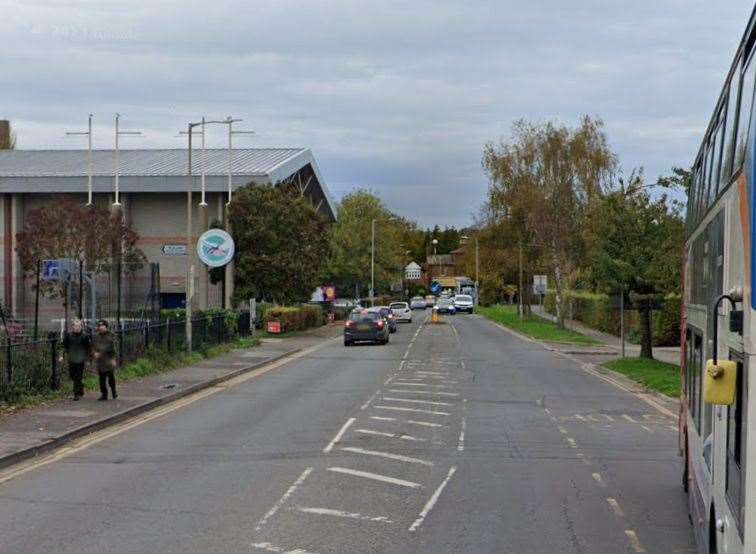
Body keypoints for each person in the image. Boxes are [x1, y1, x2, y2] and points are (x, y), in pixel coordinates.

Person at [60, 319, 91, 401]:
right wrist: (61, 355)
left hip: (81, 359)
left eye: (79, 326)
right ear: (72, 327)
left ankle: (76, 394)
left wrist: (88, 359)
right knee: (72, 375)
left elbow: (88, 349)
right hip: (72, 358)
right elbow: (64, 346)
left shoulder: (85, 336)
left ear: (81, 327)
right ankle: (80, 388)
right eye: (75, 326)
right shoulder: (68, 335)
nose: (77, 328)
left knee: (78, 376)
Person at [91, 319, 118, 401]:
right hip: (100, 362)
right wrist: (94, 353)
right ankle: (104, 395)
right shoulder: (96, 337)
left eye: (103, 326)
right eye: (100, 326)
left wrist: (113, 359)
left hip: (109, 360)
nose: (101, 328)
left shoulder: (111, 335)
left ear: (106, 327)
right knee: (101, 380)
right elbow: (92, 347)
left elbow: (114, 348)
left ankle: (114, 391)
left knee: (111, 378)